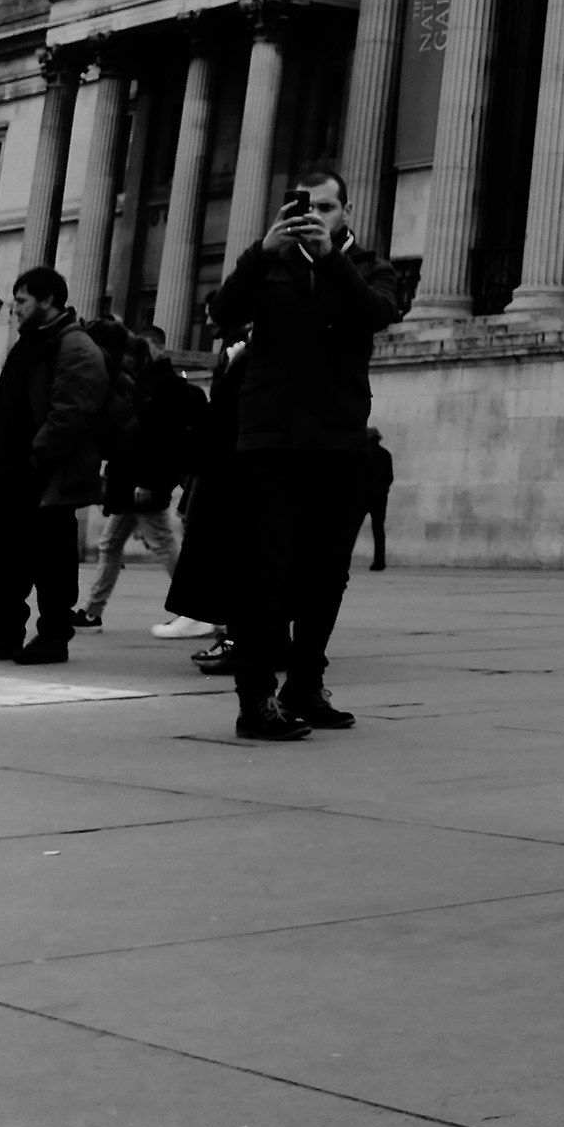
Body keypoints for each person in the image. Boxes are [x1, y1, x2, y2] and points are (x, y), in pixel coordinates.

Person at [208, 166, 402, 739]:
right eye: (303, 207)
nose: (313, 217)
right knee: (267, 567)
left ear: (346, 214)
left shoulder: (369, 267)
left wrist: (330, 261)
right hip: (269, 435)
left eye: (326, 208)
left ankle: (305, 684)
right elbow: (223, 313)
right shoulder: (267, 262)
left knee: (327, 571)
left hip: (339, 436)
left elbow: (376, 315)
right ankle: (255, 700)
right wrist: (258, 251)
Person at [0, 266, 110, 666]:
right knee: (8, 558)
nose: (15, 309)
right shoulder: (32, 342)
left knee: (51, 559)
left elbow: (70, 413)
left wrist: (36, 459)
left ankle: (53, 636)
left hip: (45, 476)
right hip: (12, 474)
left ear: (48, 300)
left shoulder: (74, 346)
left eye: (21, 301)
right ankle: (4, 631)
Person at [76, 323, 206, 630]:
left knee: (162, 543)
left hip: (141, 483)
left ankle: (197, 607)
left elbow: (159, 440)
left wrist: (148, 481)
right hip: (130, 482)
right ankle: (92, 612)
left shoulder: (162, 386)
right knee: (110, 544)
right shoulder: (147, 381)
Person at [162, 325, 249, 660]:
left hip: (238, 462)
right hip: (226, 461)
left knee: (231, 550)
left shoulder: (254, 345)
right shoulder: (236, 346)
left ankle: (229, 629)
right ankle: (223, 624)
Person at [358, 426, 394, 572]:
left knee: (353, 529)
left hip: (363, 497)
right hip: (379, 498)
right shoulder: (385, 454)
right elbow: (389, 477)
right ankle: (379, 561)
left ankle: (343, 560)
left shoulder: (364, 454)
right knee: (378, 530)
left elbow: (359, 476)